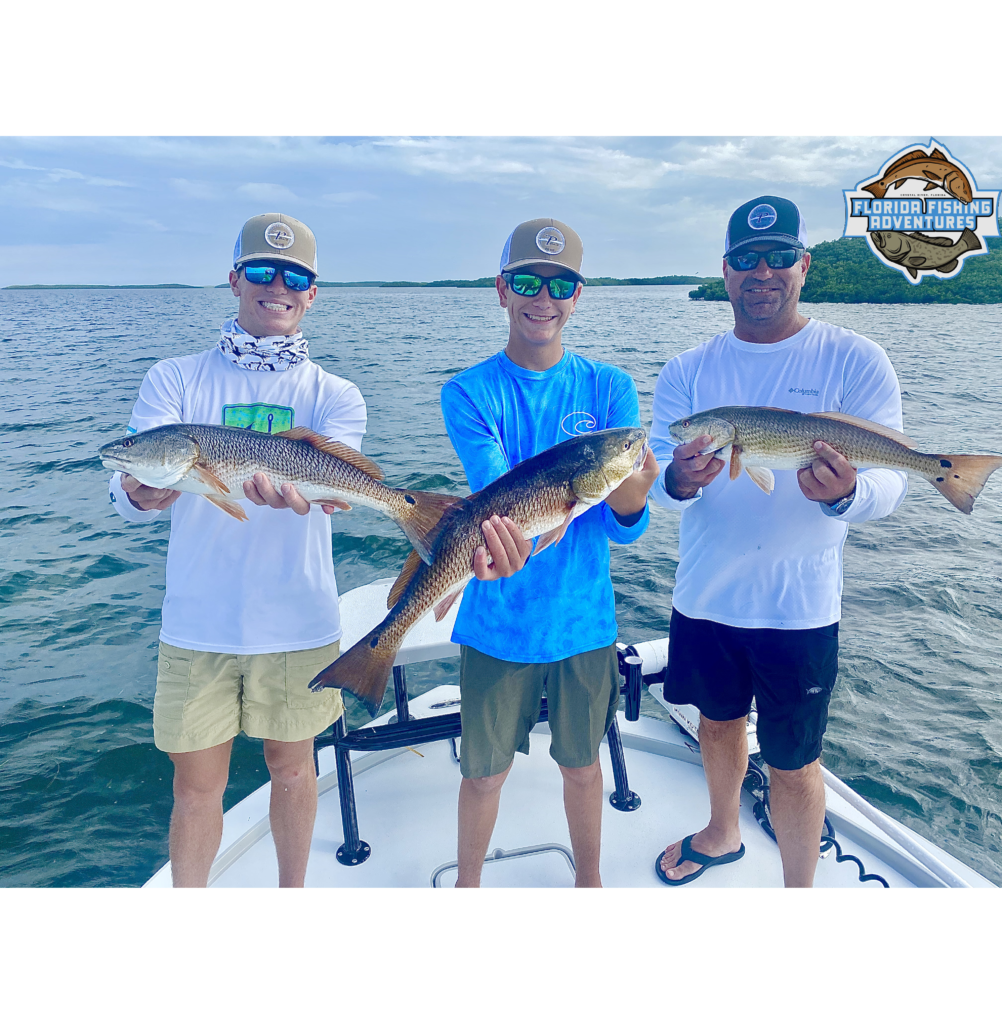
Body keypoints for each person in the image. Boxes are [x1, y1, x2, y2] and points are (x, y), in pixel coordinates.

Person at [648, 196, 908, 888]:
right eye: (744, 259)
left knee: (795, 762)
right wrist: (678, 480)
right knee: (716, 725)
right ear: (725, 272)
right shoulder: (687, 371)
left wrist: (847, 495)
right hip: (706, 595)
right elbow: (649, 475)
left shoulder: (854, 358)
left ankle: (799, 882)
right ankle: (722, 831)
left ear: (805, 264)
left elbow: (892, 484)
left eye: (779, 256)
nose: (762, 272)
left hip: (800, 607)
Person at [109, 213, 365, 888]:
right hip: (199, 624)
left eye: (295, 276)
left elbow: (341, 485)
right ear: (233, 280)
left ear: (312, 292)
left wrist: (322, 494)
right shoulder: (175, 380)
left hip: (300, 620)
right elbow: (130, 478)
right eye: (260, 270)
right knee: (196, 788)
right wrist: (139, 492)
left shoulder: (334, 394)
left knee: (293, 766)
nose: (276, 285)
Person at [441, 218, 659, 889]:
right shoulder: (469, 392)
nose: (544, 296)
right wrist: (511, 543)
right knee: (482, 776)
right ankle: (470, 881)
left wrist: (636, 488)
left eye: (559, 282)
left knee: (583, 766)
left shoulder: (608, 391)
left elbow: (625, 527)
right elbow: (496, 498)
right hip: (497, 621)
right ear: (501, 290)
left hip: (584, 624)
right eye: (528, 281)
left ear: (578, 294)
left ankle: (588, 880)